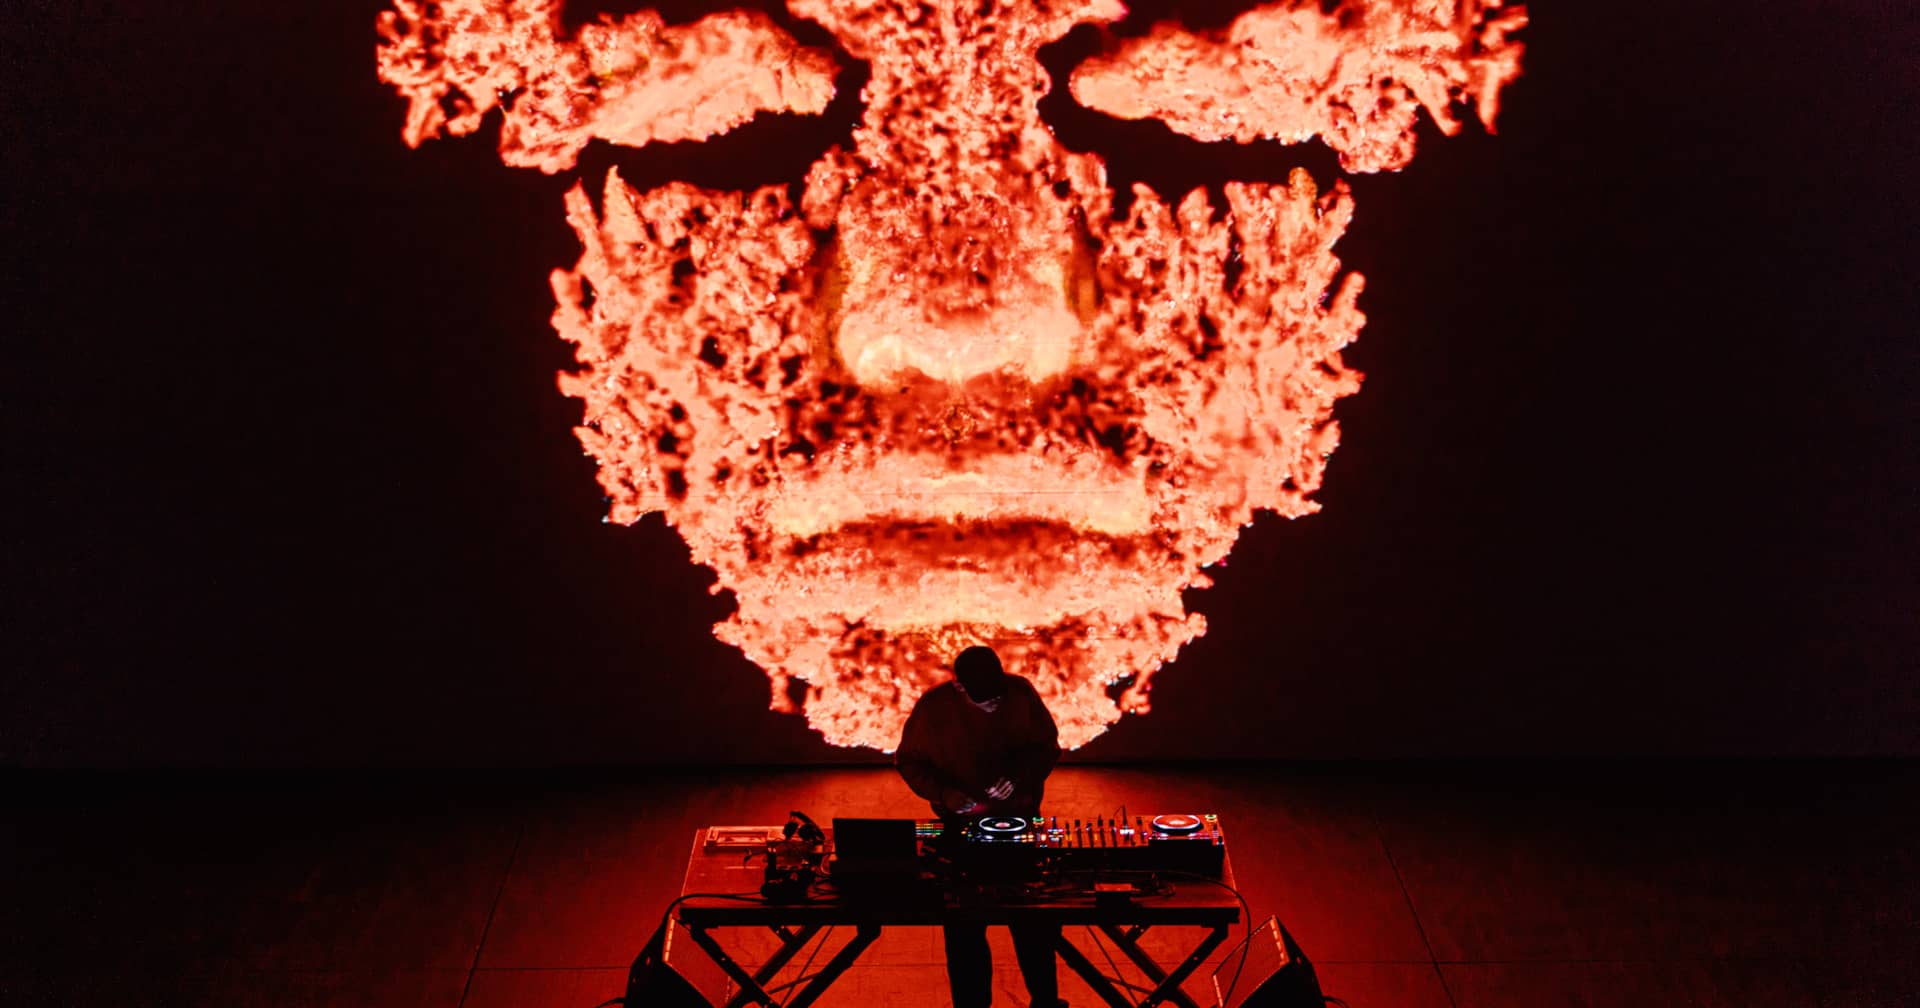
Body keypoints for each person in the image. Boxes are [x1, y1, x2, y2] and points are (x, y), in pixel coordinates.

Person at [896, 645, 1066, 1008]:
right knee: (964, 928)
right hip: (959, 830)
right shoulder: (934, 708)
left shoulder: (1020, 693)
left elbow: (1046, 747)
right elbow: (909, 761)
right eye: (984, 698)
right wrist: (944, 794)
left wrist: (1020, 778)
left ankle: (1046, 1000)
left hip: (1020, 824)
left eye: (998, 694)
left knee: (1033, 921)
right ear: (960, 687)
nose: (994, 704)